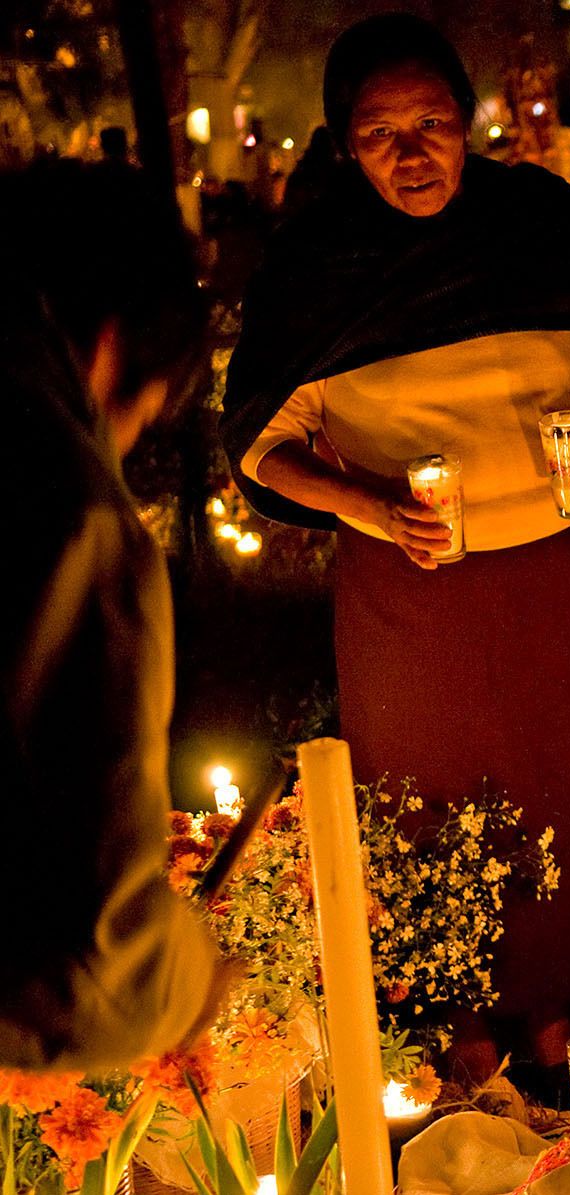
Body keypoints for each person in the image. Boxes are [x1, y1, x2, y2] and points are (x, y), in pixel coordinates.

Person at [220, 14, 570, 1073]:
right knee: (429, 792)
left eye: (432, 124)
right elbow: (264, 443)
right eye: (379, 134)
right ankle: (457, 1004)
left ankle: (562, 995)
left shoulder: (545, 224)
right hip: (412, 586)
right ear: (344, 144)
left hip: (559, 572)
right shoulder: (314, 266)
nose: (411, 155)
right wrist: (365, 505)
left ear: (468, 121)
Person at [0, 161, 220, 1069]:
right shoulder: (65, 512)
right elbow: (92, 982)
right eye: (135, 419)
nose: (118, 452)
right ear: (111, 343)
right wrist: (189, 975)